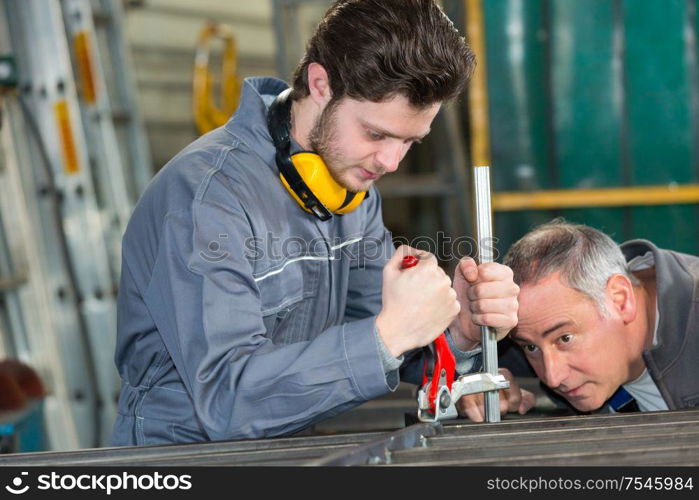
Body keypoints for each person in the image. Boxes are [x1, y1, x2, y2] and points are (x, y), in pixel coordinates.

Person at [111, 0, 519, 446]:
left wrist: (456, 331)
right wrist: (391, 331)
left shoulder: (349, 189)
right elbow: (227, 400)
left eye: (410, 141)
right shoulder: (206, 199)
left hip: (288, 448)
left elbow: (381, 333)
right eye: (376, 133)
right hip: (182, 462)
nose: (390, 161)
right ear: (320, 83)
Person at [499, 220, 699, 415]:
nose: (552, 378)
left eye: (565, 338)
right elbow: (480, 376)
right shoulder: (525, 336)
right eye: (531, 347)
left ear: (620, 299)